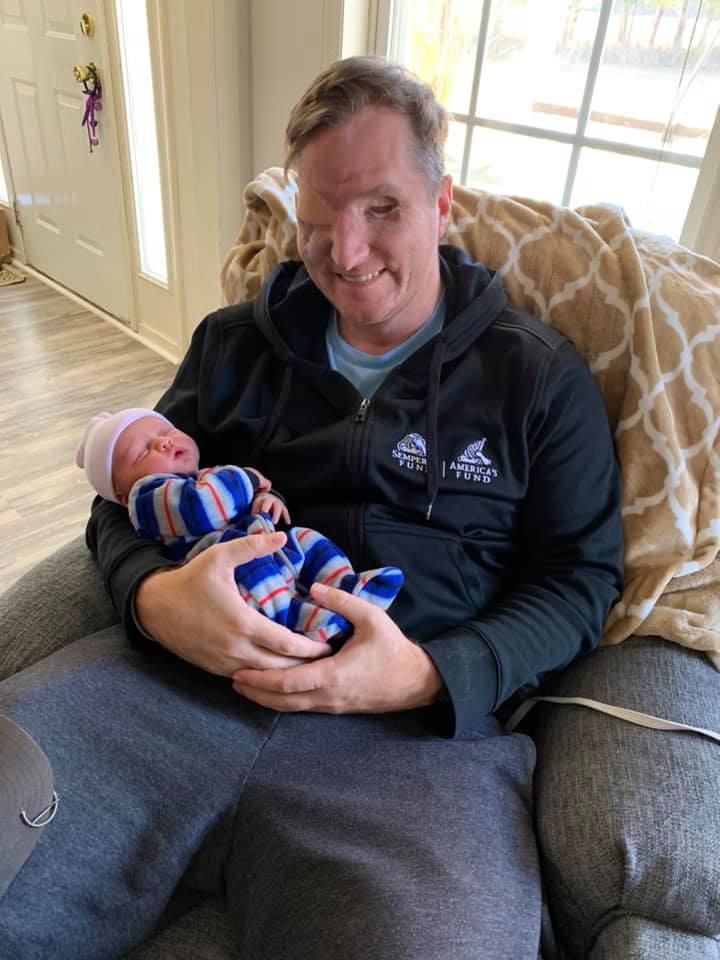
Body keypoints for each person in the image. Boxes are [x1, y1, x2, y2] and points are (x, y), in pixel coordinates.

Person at [0, 56, 623, 959]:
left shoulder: (537, 379)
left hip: (413, 754)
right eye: (320, 218)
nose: (348, 251)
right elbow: (124, 499)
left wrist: (432, 675)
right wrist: (151, 600)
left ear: (441, 207)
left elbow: (581, 580)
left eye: (382, 209)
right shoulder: (231, 345)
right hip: (165, 699)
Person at [75, 407, 403, 644]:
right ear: (120, 494)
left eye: (166, 431)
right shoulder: (145, 499)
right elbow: (203, 507)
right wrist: (247, 478)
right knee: (260, 580)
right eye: (141, 452)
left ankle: (345, 589)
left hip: (270, 543)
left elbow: (236, 495)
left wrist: (267, 497)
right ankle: (301, 622)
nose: (162, 442)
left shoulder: (205, 473)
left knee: (306, 539)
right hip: (230, 567)